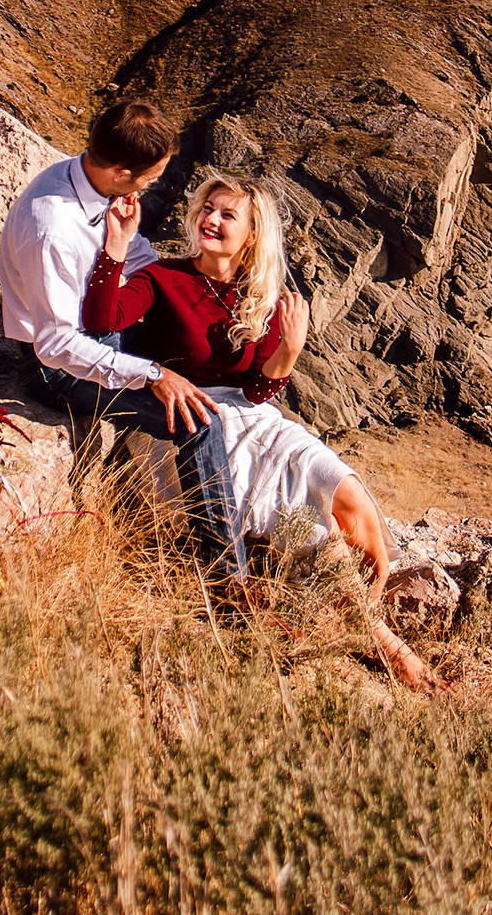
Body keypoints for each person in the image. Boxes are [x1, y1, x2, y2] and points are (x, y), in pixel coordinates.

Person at [81, 169, 436, 690]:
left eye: (228, 215)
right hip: (186, 414)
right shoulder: (162, 278)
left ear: (251, 236)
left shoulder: (261, 296)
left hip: (254, 416)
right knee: (318, 530)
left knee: (350, 495)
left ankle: (371, 601)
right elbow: (99, 318)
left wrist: (288, 353)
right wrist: (116, 245)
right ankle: (382, 639)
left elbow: (255, 392)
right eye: (207, 209)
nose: (212, 219)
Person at [0, 100, 240, 572]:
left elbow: (134, 256)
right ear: (121, 171)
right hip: (54, 369)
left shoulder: (88, 180)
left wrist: (201, 283)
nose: (152, 188)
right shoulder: (54, 230)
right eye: (149, 179)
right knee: (197, 422)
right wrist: (151, 374)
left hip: (102, 331)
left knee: (191, 349)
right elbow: (56, 346)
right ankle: (226, 573)